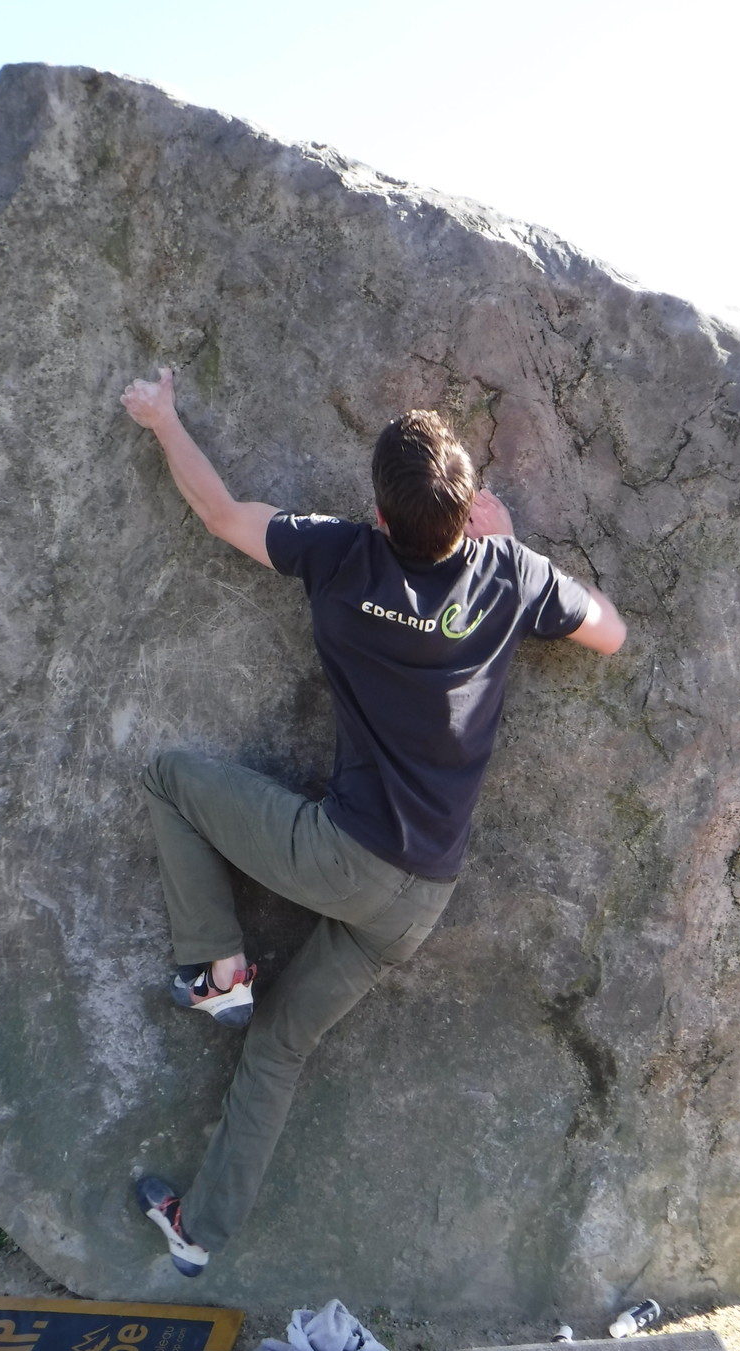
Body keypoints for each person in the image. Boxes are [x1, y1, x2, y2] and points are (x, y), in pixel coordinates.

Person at [120, 367, 626, 1276]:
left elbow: (221, 514)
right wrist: (512, 549)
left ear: (383, 516)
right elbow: (613, 634)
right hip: (420, 900)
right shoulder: (511, 575)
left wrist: (162, 419)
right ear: (467, 512)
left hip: (343, 855)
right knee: (278, 1045)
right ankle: (201, 1233)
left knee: (168, 778)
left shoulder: (341, 554)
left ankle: (216, 970)